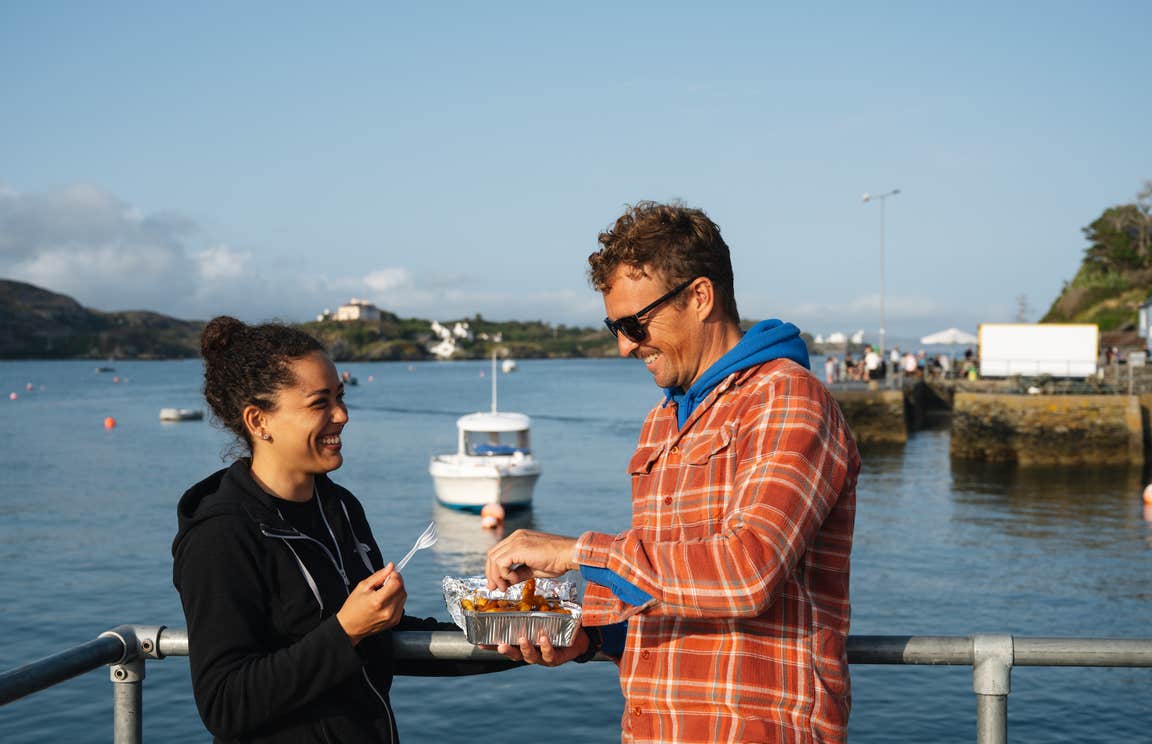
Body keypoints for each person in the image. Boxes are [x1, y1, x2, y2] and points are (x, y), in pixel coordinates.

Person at [484, 201, 860, 743]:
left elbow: (747, 572)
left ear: (700, 297)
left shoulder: (786, 397)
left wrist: (576, 553)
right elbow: (672, 584)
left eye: (635, 323)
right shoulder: (663, 420)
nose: (624, 345)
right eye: (614, 326)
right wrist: (593, 637)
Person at [172, 317, 486, 744]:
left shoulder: (338, 506)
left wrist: (511, 634)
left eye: (340, 397)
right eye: (320, 403)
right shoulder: (221, 535)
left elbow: (383, 637)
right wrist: (347, 629)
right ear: (258, 421)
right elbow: (225, 704)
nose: (342, 415)